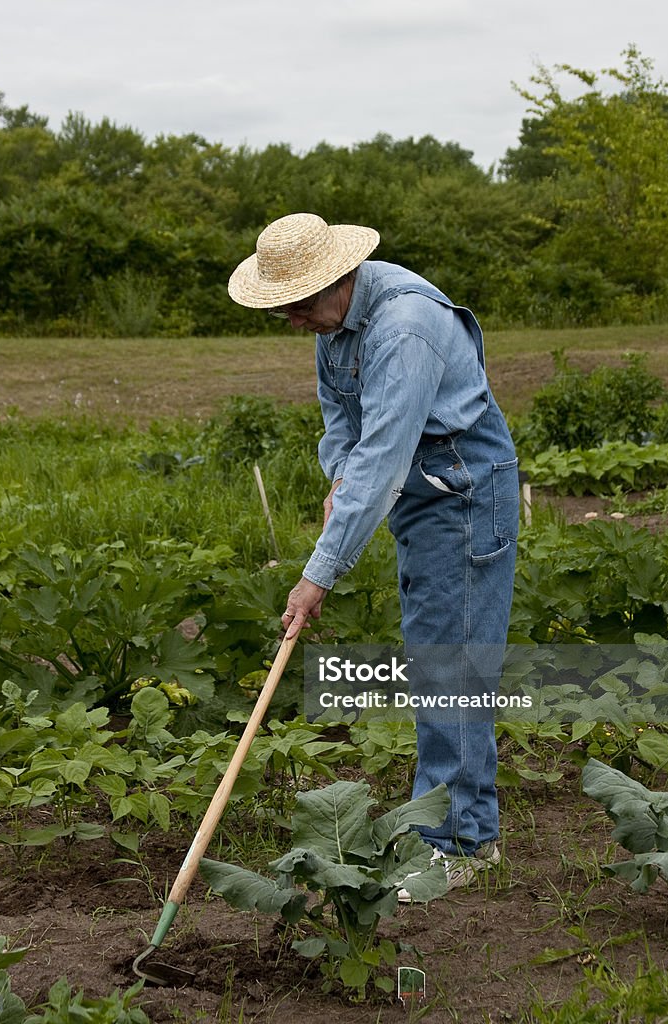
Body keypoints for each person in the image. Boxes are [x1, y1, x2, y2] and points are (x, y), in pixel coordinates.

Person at [228, 212, 519, 897]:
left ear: (336, 279)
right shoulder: (336, 325)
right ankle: (451, 824)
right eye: (283, 311)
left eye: (297, 306)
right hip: (417, 489)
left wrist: (315, 577)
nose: (294, 322)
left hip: (462, 493)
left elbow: (385, 455)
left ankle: (462, 843)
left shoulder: (402, 329)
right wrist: (338, 477)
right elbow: (342, 423)